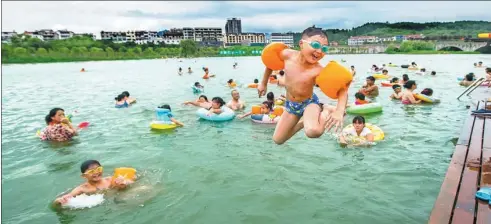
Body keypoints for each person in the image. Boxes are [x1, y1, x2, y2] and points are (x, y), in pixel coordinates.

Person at [257, 26, 347, 145]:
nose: (319, 51)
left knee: (313, 132)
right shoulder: (287, 55)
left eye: (324, 48)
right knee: (278, 140)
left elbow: (342, 88)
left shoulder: (319, 70)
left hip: (309, 103)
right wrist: (263, 83)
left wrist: (339, 111)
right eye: (315, 45)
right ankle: (304, 121)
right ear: (301, 44)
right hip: (291, 105)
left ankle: (325, 109)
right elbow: (270, 63)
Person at [53, 160, 133, 206]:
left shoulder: (109, 179)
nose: (96, 173)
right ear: (84, 176)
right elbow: (68, 196)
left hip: (117, 198)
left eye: (98, 169)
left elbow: (130, 182)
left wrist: (124, 182)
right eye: (91, 171)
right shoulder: (83, 188)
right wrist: (59, 200)